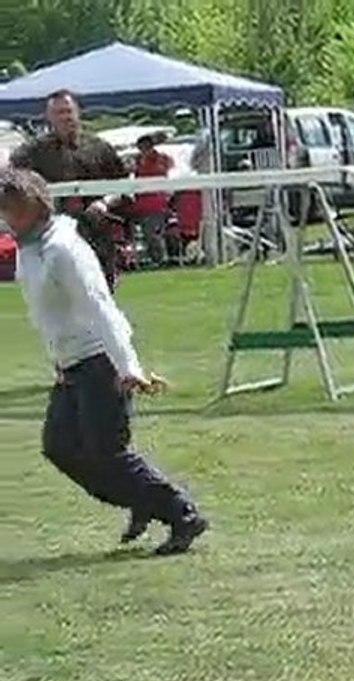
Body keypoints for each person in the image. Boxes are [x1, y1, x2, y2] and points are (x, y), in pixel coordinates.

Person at [0, 168, 208, 555]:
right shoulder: (31, 248)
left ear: (36, 207)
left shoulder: (63, 249)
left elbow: (100, 307)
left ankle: (182, 513)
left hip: (100, 359)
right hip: (71, 364)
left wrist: (128, 367)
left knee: (107, 452)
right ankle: (140, 499)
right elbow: (48, 313)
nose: (6, 218)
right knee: (60, 447)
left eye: (12, 210)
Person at [10, 89, 129, 292]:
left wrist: (105, 202)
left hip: (96, 231)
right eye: (58, 113)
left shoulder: (99, 148)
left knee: (101, 292)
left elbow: (125, 186)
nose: (65, 117)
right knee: (62, 293)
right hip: (54, 233)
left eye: (68, 111)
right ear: (49, 117)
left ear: (78, 113)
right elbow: (12, 179)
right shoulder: (34, 151)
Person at [132, 134, 174, 266]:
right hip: (142, 203)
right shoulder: (138, 160)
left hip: (156, 202)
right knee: (148, 233)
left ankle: (161, 258)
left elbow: (164, 171)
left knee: (154, 232)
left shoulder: (161, 159)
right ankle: (157, 258)